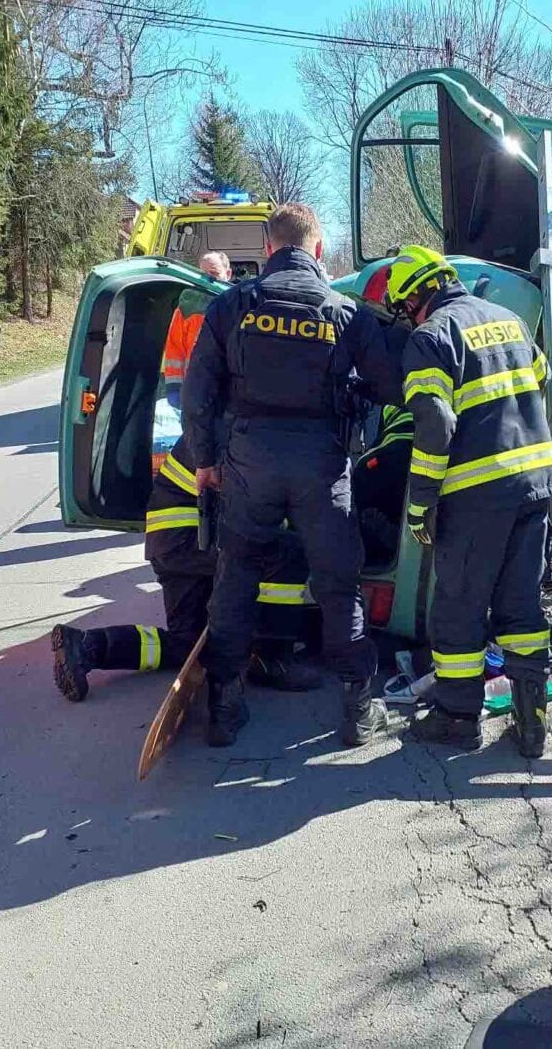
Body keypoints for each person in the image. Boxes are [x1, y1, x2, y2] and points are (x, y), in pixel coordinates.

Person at [184, 202, 400, 748]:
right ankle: (357, 708)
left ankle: (225, 708)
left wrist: (206, 461)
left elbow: (199, 392)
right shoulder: (347, 313)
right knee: (337, 584)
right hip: (321, 467)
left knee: (235, 580)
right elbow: (389, 386)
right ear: (319, 250)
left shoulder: (234, 304)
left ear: (268, 249)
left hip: (249, 461)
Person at [384, 245, 552, 757]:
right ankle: (532, 726)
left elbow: (435, 424)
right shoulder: (509, 319)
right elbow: (541, 380)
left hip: (477, 494)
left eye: (404, 307)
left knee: (459, 607)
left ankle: (458, 719)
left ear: (417, 295)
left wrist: (420, 502)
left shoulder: (431, 337)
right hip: (536, 485)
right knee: (522, 604)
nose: (407, 317)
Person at [51, 435, 321, 700]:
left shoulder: (220, 423)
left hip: (173, 546)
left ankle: (86, 647)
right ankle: (272, 659)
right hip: (190, 541)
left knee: (187, 644)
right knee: (287, 552)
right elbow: (255, 511)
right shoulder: (233, 433)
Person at [161, 252, 233, 409]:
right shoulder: (187, 305)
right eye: (202, 274)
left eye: (213, 274)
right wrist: (174, 387)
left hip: (228, 394)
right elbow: (174, 350)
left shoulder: (238, 305)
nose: (207, 279)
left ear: (228, 274)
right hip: (194, 391)